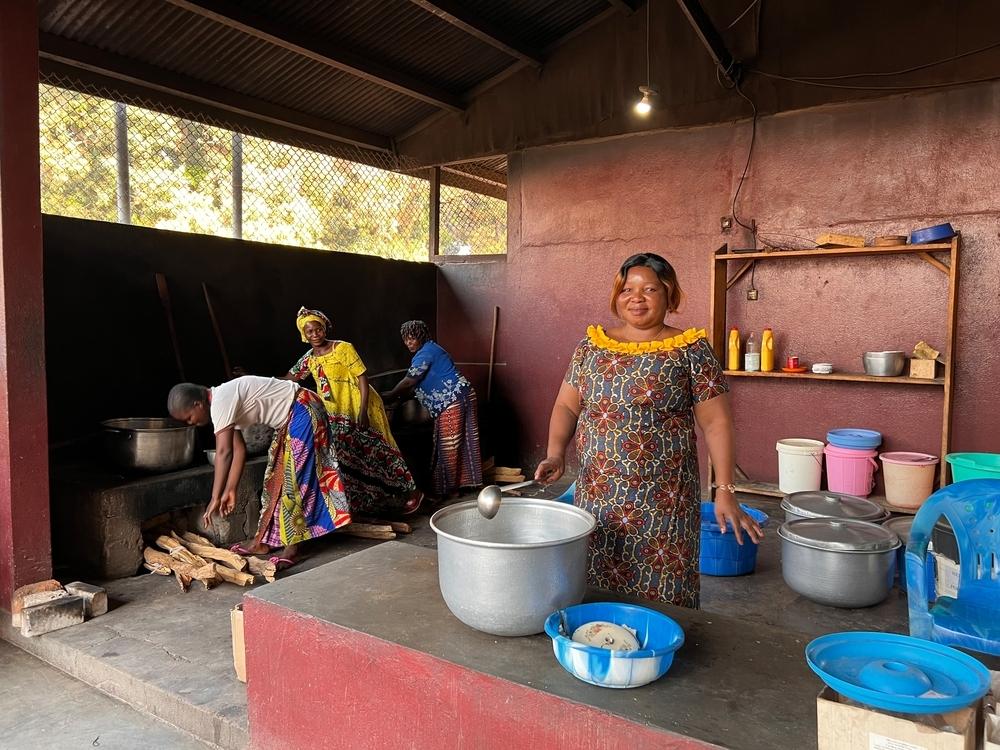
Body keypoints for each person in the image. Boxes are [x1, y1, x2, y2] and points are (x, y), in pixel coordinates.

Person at [534, 253, 763, 608]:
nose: (635, 297)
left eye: (649, 289)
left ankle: (658, 647)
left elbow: (716, 422)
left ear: (670, 295)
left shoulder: (690, 351)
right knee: (595, 583)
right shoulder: (591, 348)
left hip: (664, 504)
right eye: (627, 289)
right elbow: (567, 405)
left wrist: (725, 492)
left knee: (663, 593)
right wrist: (555, 452)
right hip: (599, 495)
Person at [167, 376, 351, 568]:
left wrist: (215, 497)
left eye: (189, 417)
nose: (191, 423)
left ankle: (293, 547)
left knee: (293, 482)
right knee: (274, 480)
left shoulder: (221, 401)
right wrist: (230, 489)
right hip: (294, 417)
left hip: (303, 410)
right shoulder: (222, 401)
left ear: (198, 404)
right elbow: (239, 451)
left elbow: (224, 452)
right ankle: (263, 542)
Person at [283, 307, 422, 514]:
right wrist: (254, 379)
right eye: (310, 331)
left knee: (381, 449)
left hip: (360, 405)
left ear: (324, 329)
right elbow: (288, 379)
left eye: (318, 329)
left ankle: (412, 493)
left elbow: (362, 378)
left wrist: (363, 411)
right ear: (304, 334)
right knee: (348, 455)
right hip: (334, 413)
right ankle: (368, 501)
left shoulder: (342, 348)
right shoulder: (309, 359)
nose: (315, 335)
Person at [382, 321, 482, 499]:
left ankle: (449, 491)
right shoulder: (432, 349)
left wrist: (390, 395)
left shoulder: (426, 353)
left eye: (411, 338)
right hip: (461, 396)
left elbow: (409, 381)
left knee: (449, 446)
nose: (408, 343)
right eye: (405, 339)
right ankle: (455, 486)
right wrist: (399, 399)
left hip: (453, 400)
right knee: (457, 444)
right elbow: (414, 387)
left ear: (421, 337)